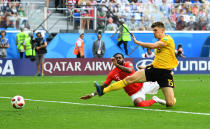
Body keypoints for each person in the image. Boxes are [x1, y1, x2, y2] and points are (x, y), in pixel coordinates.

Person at [95, 22, 178, 107]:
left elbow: (153, 45)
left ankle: (159, 100)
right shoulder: (159, 45)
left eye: (156, 30)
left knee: (170, 103)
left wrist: (138, 42)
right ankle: (103, 91)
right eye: (153, 30)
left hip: (165, 74)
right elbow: (158, 61)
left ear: (162, 30)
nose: (154, 32)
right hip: (153, 70)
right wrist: (146, 66)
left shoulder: (167, 39)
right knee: (129, 79)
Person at [81, 53, 166, 107]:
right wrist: (92, 94)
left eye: (119, 58)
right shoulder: (112, 74)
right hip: (133, 93)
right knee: (138, 104)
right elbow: (103, 87)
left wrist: (117, 65)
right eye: (116, 58)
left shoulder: (128, 64)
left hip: (143, 85)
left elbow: (129, 70)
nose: (118, 59)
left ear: (123, 59)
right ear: (113, 60)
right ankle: (155, 99)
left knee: (164, 83)